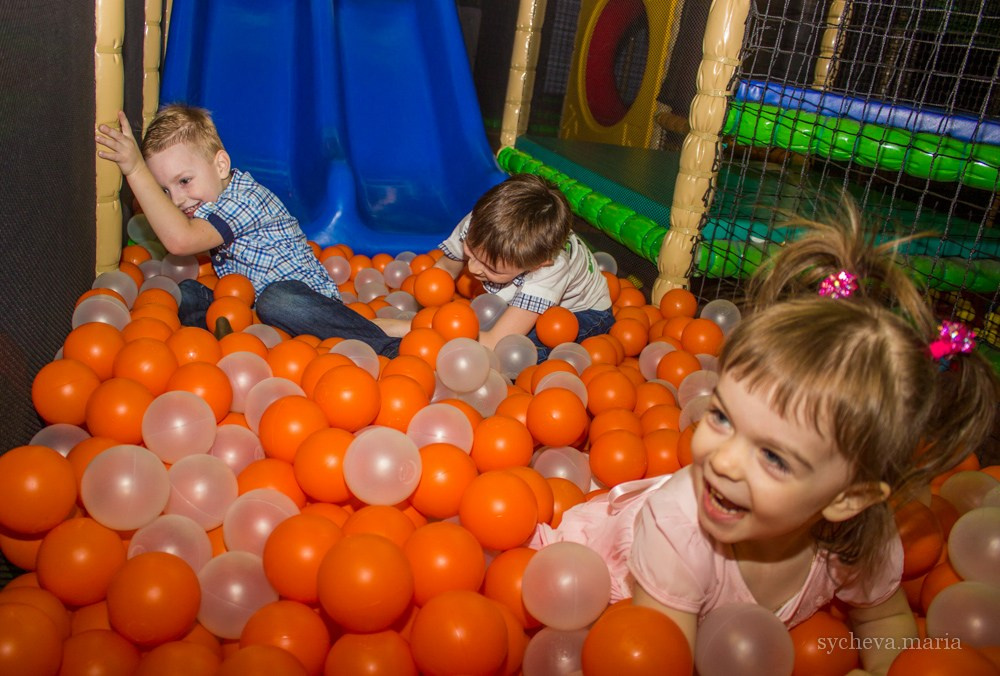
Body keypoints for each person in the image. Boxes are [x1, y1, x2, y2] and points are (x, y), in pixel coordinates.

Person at [530, 202, 998, 675]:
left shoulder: (860, 540)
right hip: (599, 577)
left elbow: (886, 621)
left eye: (773, 457)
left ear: (850, 497)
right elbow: (666, 657)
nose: (723, 461)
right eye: (722, 417)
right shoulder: (677, 528)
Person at [255, 173, 614, 361]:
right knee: (276, 300)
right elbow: (441, 274)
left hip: (578, 314)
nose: (472, 268)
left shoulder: (548, 272)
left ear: (539, 262)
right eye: (471, 252)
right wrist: (426, 310)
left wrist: (404, 327)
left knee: (522, 354)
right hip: (498, 307)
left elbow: (492, 344)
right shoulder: (481, 226)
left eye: (489, 267)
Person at [95, 105, 341, 332]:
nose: (176, 201)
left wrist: (136, 169)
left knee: (276, 300)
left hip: (307, 305)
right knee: (186, 294)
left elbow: (182, 240)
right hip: (252, 313)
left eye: (184, 181)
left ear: (221, 165)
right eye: (165, 191)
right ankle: (224, 344)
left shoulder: (245, 200)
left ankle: (377, 342)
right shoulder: (209, 206)